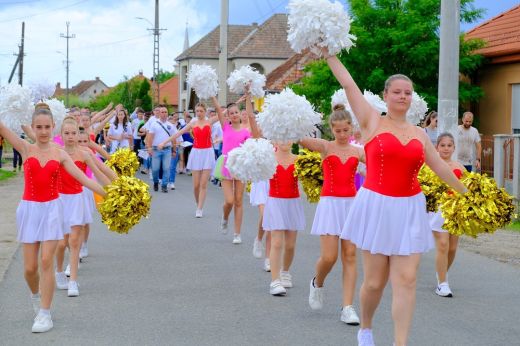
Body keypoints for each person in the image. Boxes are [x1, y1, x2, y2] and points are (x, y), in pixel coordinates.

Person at [323, 48, 466, 346]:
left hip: (410, 209)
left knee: (407, 280)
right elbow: (349, 85)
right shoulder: (371, 121)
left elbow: (439, 166)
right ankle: (366, 327)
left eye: (408, 93)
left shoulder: (419, 133)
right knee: (375, 282)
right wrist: (330, 55)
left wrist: (468, 192)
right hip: (377, 206)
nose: (403, 96)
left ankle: (400, 343)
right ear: (386, 95)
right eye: (397, 92)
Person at [0, 103, 106, 333]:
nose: (43, 131)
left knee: (46, 260)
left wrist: (109, 194)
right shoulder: (25, 148)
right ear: (33, 127)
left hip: (51, 210)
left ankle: (45, 314)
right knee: (29, 269)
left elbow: (83, 179)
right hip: (29, 210)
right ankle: (36, 296)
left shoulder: (59, 154)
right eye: (39, 127)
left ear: (53, 127)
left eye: (47, 127)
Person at [300, 104, 364, 325]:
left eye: (346, 130)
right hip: (330, 205)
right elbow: (302, 140)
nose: (342, 134)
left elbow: (381, 161)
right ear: (331, 130)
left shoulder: (358, 150)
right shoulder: (326, 146)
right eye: (338, 131)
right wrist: (293, 122)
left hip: (351, 206)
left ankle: (347, 307)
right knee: (329, 257)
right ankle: (317, 282)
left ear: (351, 128)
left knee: (350, 255)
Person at [54, 117, 114, 297]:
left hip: (77, 199)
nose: (71, 137)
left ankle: (73, 280)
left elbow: (98, 174)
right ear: (61, 135)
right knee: (61, 242)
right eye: (67, 133)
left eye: (74, 133)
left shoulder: (84, 154)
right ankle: (58, 271)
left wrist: (115, 190)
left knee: (73, 241)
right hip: (59, 200)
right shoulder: (56, 153)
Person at [211, 87, 260, 244]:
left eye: (236, 112)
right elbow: (219, 109)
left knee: (239, 200)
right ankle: (225, 217)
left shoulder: (246, 132)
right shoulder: (225, 127)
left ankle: (237, 233)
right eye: (231, 113)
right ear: (228, 116)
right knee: (230, 201)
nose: (234, 115)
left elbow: (251, 147)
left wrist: (247, 96)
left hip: (241, 167)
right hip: (226, 165)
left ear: (240, 114)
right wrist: (211, 92)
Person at [159, 103, 217, 217]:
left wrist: (239, 101)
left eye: (201, 111)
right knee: (196, 186)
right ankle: (198, 204)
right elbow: (177, 133)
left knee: (203, 184)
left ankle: (200, 208)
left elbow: (223, 112)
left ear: (205, 111)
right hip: (196, 153)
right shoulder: (192, 123)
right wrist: (164, 142)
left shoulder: (210, 121)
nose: (199, 113)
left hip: (208, 152)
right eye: (197, 111)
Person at [263, 142, 305, 296]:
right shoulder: (269, 159)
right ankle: (275, 281)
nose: (285, 141)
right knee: (277, 241)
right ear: (274, 141)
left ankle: (285, 271)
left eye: (288, 138)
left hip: (293, 203)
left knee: (290, 245)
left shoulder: (299, 160)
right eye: (281, 138)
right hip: (275, 202)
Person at [429, 132, 465, 298]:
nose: (445, 148)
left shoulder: (459, 167)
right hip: (437, 210)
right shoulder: (430, 166)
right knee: (442, 245)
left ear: (453, 148)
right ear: (437, 147)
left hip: (455, 211)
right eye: (442, 145)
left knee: (452, 248)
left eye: (449, 145)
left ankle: (441, 273)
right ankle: (442, 284)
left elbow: (468, 188)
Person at [146, 106, 173, 193]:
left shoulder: (170, 125)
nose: (164, 114)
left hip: (167, 149)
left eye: (166, 112)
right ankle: (156, 182)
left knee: (166, 168)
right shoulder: (154, 124)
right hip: (155, 149)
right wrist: (149, 148)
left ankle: (164, 185)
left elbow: (174, 138)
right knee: (155, 169)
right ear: (159, 113)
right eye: (162, 112)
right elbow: (149, 137)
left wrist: (175, 150)